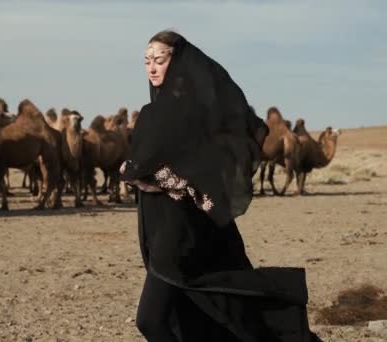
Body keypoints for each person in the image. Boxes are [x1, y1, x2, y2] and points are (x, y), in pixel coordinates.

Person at [120, 30, 320, 342]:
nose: (152, 67)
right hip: (160, 227)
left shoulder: (194, 115)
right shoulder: (153, 114)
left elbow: (208, 166)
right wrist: (143, 173)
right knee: (200, 313)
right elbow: (142, 167)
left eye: (160, 60)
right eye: (147, 61)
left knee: (151, 320)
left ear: (180, 64)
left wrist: (153, 176)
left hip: (179, 234)